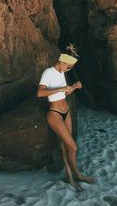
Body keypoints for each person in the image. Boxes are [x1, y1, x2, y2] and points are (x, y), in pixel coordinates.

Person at [37, 47, 95, 191]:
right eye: (69, 66)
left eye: (71, 67)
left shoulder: (62, 72)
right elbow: (40, 93)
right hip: (55, 113)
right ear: (62, 61)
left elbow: (64, 93)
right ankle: (78, 175)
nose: (69, 69)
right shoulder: (48, 72)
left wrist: (74, 87)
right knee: (73, 147)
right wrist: (60, 89)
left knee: (65, 145)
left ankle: (70, 177)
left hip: (66, 111)